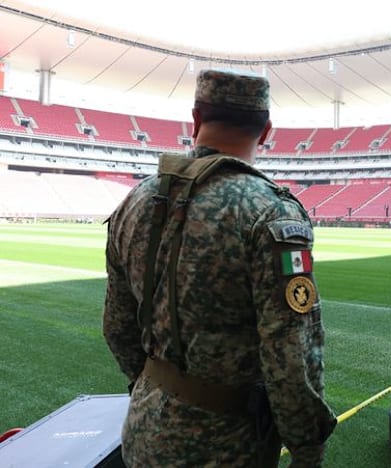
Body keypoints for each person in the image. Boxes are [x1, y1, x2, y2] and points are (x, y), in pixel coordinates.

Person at [103, 69, 337, 467]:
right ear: (265, 131)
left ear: (195, 118)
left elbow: (118, 327)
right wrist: (306, 447)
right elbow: (290, 358)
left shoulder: (137, 201)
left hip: (144, 429)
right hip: (229, 446)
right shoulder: (272, 212)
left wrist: (153, 385)